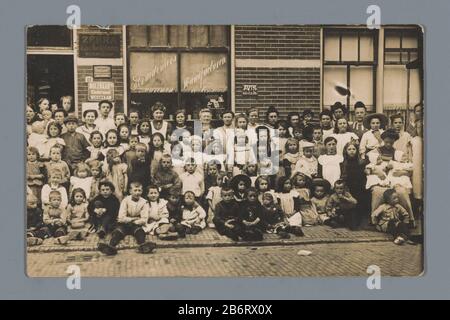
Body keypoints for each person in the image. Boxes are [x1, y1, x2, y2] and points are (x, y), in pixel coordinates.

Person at [366, 129, 415, 226]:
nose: (388, 144)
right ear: (383, 140)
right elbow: (367, 169)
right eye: (386, 141)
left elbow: (408, 168)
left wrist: (401, 172)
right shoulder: (375, 152)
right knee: (378, 191)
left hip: (395, 179)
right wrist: (376, 172)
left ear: (394, 141)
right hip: (379, 178)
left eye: (391, 142)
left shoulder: (398, 153)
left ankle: (409, 218)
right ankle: (374, 219)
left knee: (402, 192)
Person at [98, 181, 156, 256]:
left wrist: (134, 221)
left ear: (142, 191)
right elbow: (121, 217)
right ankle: (111, 247)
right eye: (135, 190)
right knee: (117, 232)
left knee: (140, 232)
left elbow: (144, 219)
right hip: (124, 224)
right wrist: (134, 219)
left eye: (139, 190)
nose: (137, 193)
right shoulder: (125, 201)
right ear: (130, 191)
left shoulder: (144, 202)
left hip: (136, 224)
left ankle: (143, 245)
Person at [340, 140, 369, 227]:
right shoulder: (343, 164)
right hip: (349, 188)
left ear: (357, 151)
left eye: (353, 149)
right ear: (346, 151)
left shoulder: (362, 163)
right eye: (349, 149)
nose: (352, 151)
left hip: (360, 188)